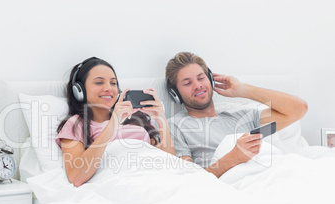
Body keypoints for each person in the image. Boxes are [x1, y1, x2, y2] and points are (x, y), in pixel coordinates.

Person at [166, 52, 308, 178]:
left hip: (271, 174)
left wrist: (243, 90)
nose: (197, 85)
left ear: (210, 79)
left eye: (201, 78)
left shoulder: (242, 116)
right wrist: (233, 158)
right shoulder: (176, 126)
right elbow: (189, 181)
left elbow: (299, 109)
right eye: (187, 83)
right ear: (175, 93)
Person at [56, 57, 175, 187]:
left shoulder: (136, 118)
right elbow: (76, 177)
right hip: (120, 183)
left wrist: (161, 119)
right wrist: (113, 123)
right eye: (99, 83)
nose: (109, 88)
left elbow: (170, 164)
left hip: (154, 177)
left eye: (113, 83)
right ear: (79, 90)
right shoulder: (75, 124)